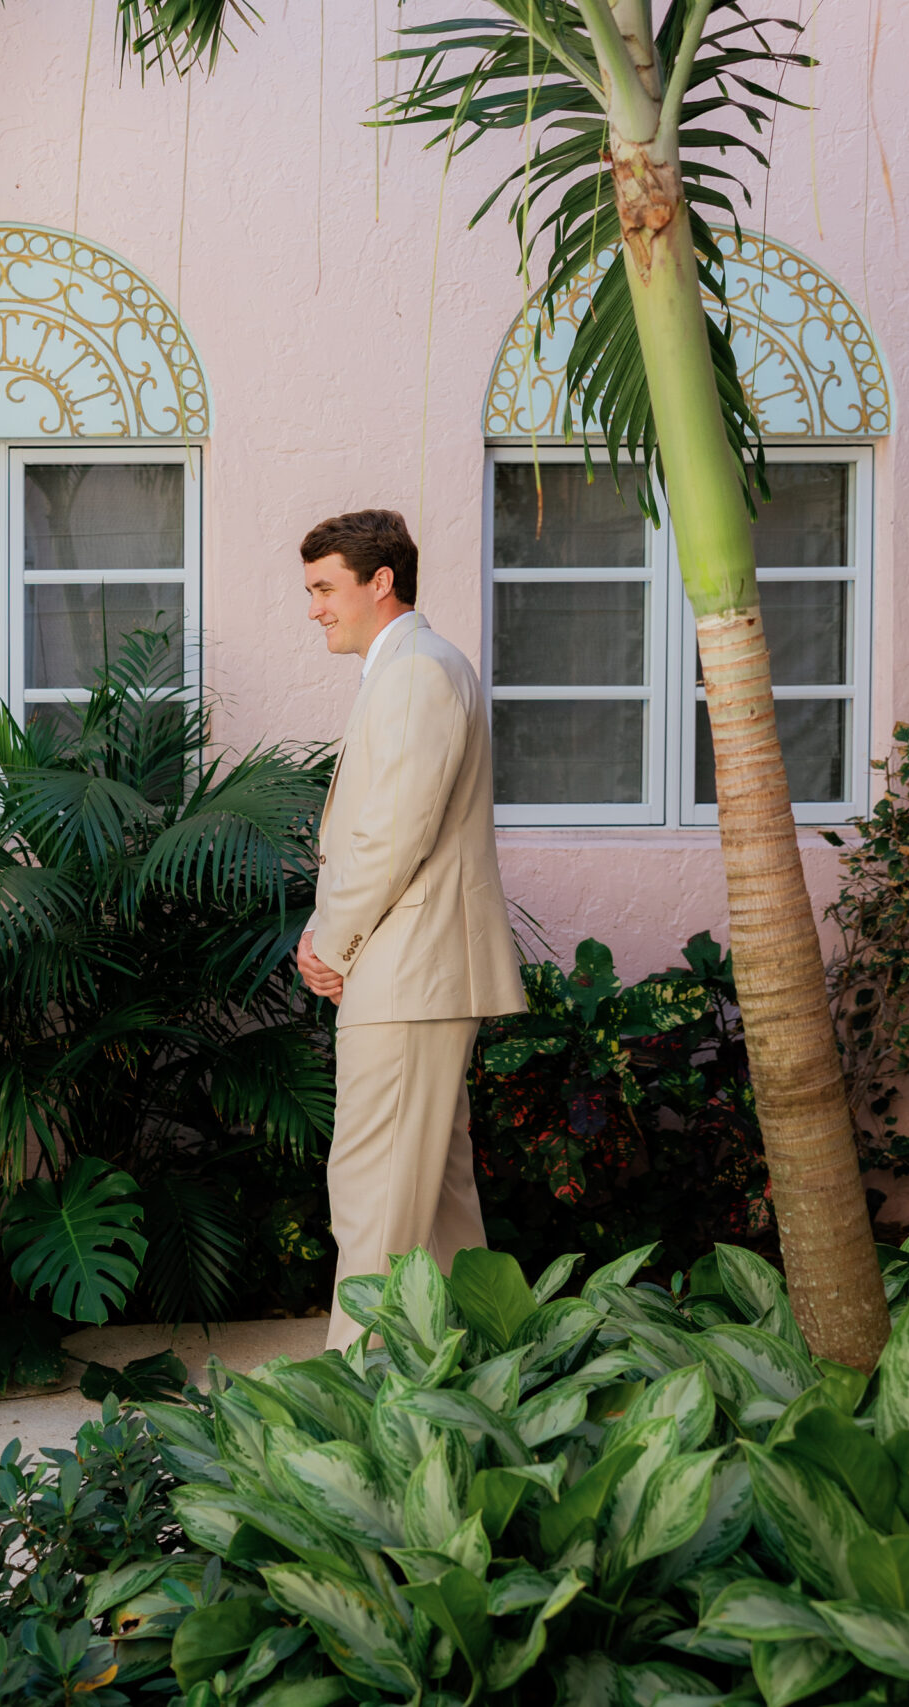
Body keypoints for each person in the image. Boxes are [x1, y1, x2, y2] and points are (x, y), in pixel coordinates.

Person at [293, 510, 525, 1350]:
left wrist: (329, 940)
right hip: (416, 969)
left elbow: (393, 832)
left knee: (374, 1198)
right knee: (434, 1202)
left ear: (379, 580)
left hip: (406, 970)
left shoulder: (418, 672)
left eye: (325, 587)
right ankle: (484, 1371)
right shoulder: (413, 669)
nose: (315, 607)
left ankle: (355, 1404)